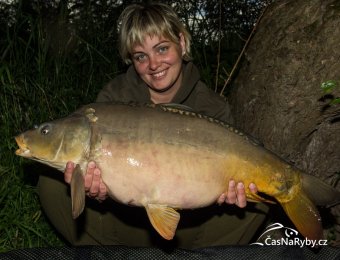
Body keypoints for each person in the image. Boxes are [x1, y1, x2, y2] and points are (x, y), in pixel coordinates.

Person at [38, 2, 268, 249]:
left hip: (193, 230)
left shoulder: (212, 106)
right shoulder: (114, 98)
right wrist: (94, 191)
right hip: (122, 226)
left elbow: (226, 181)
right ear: (131, 60)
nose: (154, 64)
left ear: (181, 42)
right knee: (50, 184)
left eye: (162, 49)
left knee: (262, 199)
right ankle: (108, 254)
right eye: (141, 56)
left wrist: (231, 194)